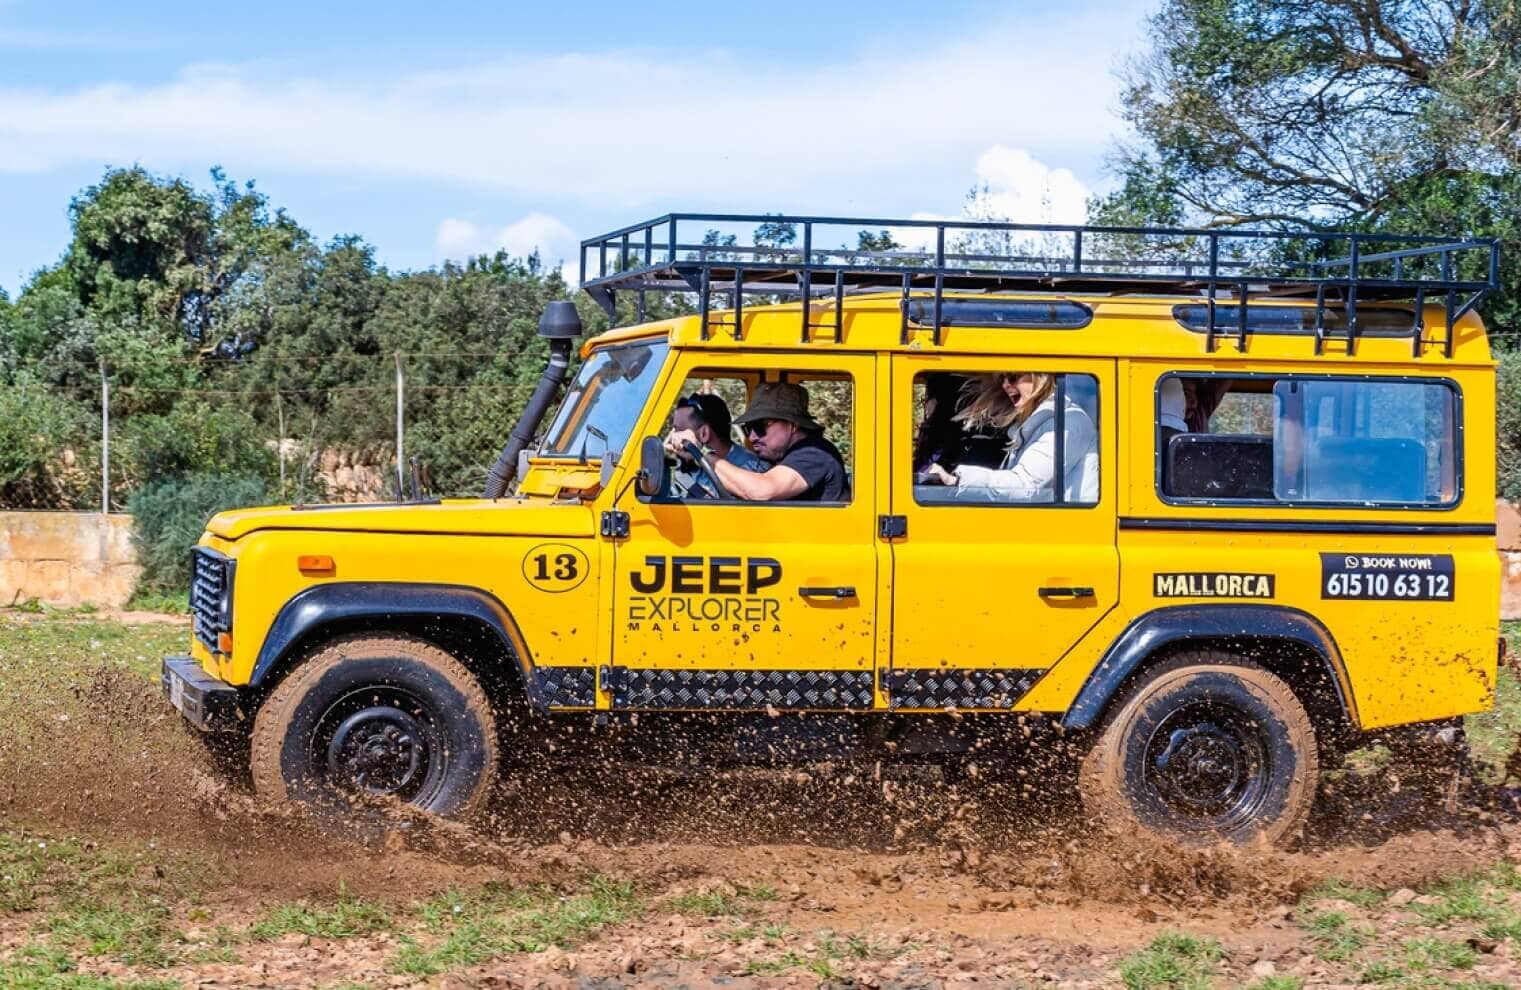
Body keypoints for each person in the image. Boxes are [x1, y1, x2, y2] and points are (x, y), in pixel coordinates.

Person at [920, 372, 1098, 502]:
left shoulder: (1066, 423)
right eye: (1002, 379)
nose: (1006, 385)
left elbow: (1026, 485)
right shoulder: (1035, 426)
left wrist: (957, 480)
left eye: (1013, 376)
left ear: (1041, 377)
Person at [667, 381, 849, 501]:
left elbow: (762, 490)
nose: (752, 436)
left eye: (760, 427)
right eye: (748, 428)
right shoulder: (781, 457)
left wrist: (701, 452)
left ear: (792, 425)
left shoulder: (814, 454)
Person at [662, 392, 766, 499]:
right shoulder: (692, 466)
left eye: (680, 431)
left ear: (704, 434)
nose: (673, 438)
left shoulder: (750, 468)